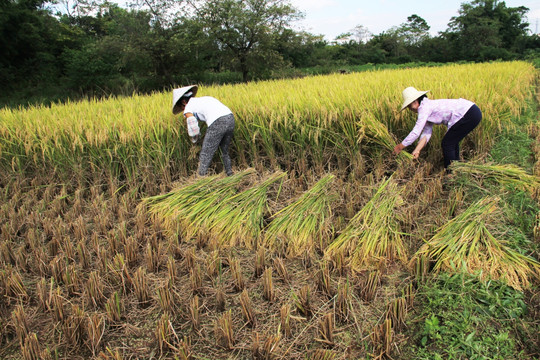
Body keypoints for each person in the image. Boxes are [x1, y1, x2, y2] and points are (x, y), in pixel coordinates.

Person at [393, 87, 482, 169]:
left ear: (415, 101)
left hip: (468, 113)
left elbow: (416, 132)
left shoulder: (424, 108)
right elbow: (426, 133)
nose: (409, 109)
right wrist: (417, 150)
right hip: (472, 112)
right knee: (452, 141)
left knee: (447, 143)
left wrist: (400, 147)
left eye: (409, 106)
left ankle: (451, 173)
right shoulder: (427, 107)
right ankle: (457, 169)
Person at [172, 85, 235, 176]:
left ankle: (200, 180)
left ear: (183, 102)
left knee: (205, 154)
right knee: (224, 150)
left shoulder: (188, 108)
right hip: (230, 118)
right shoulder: (204, 99)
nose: (183, 110)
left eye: (181, 107)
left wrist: (195, 140)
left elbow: (193, 127)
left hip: (217, 122)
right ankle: (230, 174)